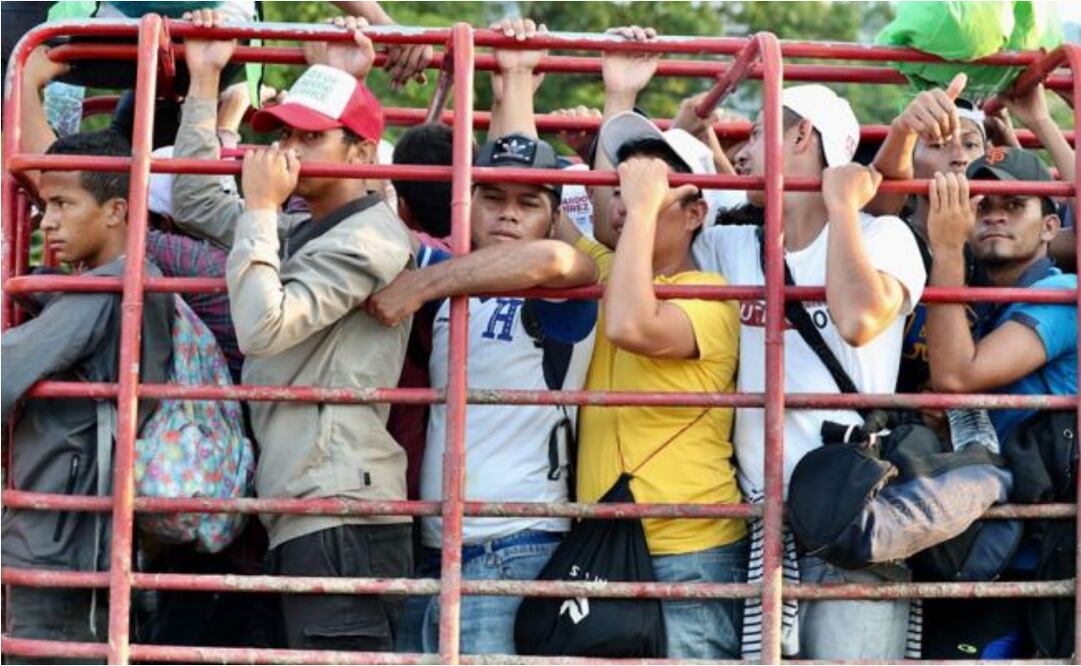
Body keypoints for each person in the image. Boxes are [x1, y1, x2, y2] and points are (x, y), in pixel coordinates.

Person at [172, 10, 413, 652]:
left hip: (340, 510)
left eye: (308, 139)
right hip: (307, 506)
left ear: (361, 152)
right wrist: (204, 78)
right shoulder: (299, 225)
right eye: (281, 134)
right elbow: (194, 201)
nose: (286, 151)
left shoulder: (370, 237)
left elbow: (263, 326)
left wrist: (258, 207)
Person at [366, 18, 599, 655]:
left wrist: (417, 289)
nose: (507, 213)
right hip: (439, 541)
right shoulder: (449, 270)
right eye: (491, 198)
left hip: (515, 543)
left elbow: (549, 260)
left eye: (528, 203)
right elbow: (369, 213)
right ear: (467, 204)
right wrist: (511, 76)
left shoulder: (564, 286)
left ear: (554, 214)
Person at [692, 84, 927, 660]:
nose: (741, 150)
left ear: (801, 135)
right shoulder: (732, 243)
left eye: (755, 132)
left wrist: (843, 206)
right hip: (759, 523)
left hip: (854, 518)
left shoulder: (883, 236)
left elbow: (859, 319)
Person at [1, 129, 175, 662]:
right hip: (74, 539)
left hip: (61, 543)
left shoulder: (109, 288)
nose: (45, 221)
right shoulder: (125, 282)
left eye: (62, 203)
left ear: (115, 210)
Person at [924, 149, 1077, 659]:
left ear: (1050, 226)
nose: (993, 213)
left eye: (1014, 205)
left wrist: (945, 251)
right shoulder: (988, 303)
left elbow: (955, 376)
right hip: (985, 543)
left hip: (1033, 556)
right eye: (982, 203)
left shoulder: (1060, 295)